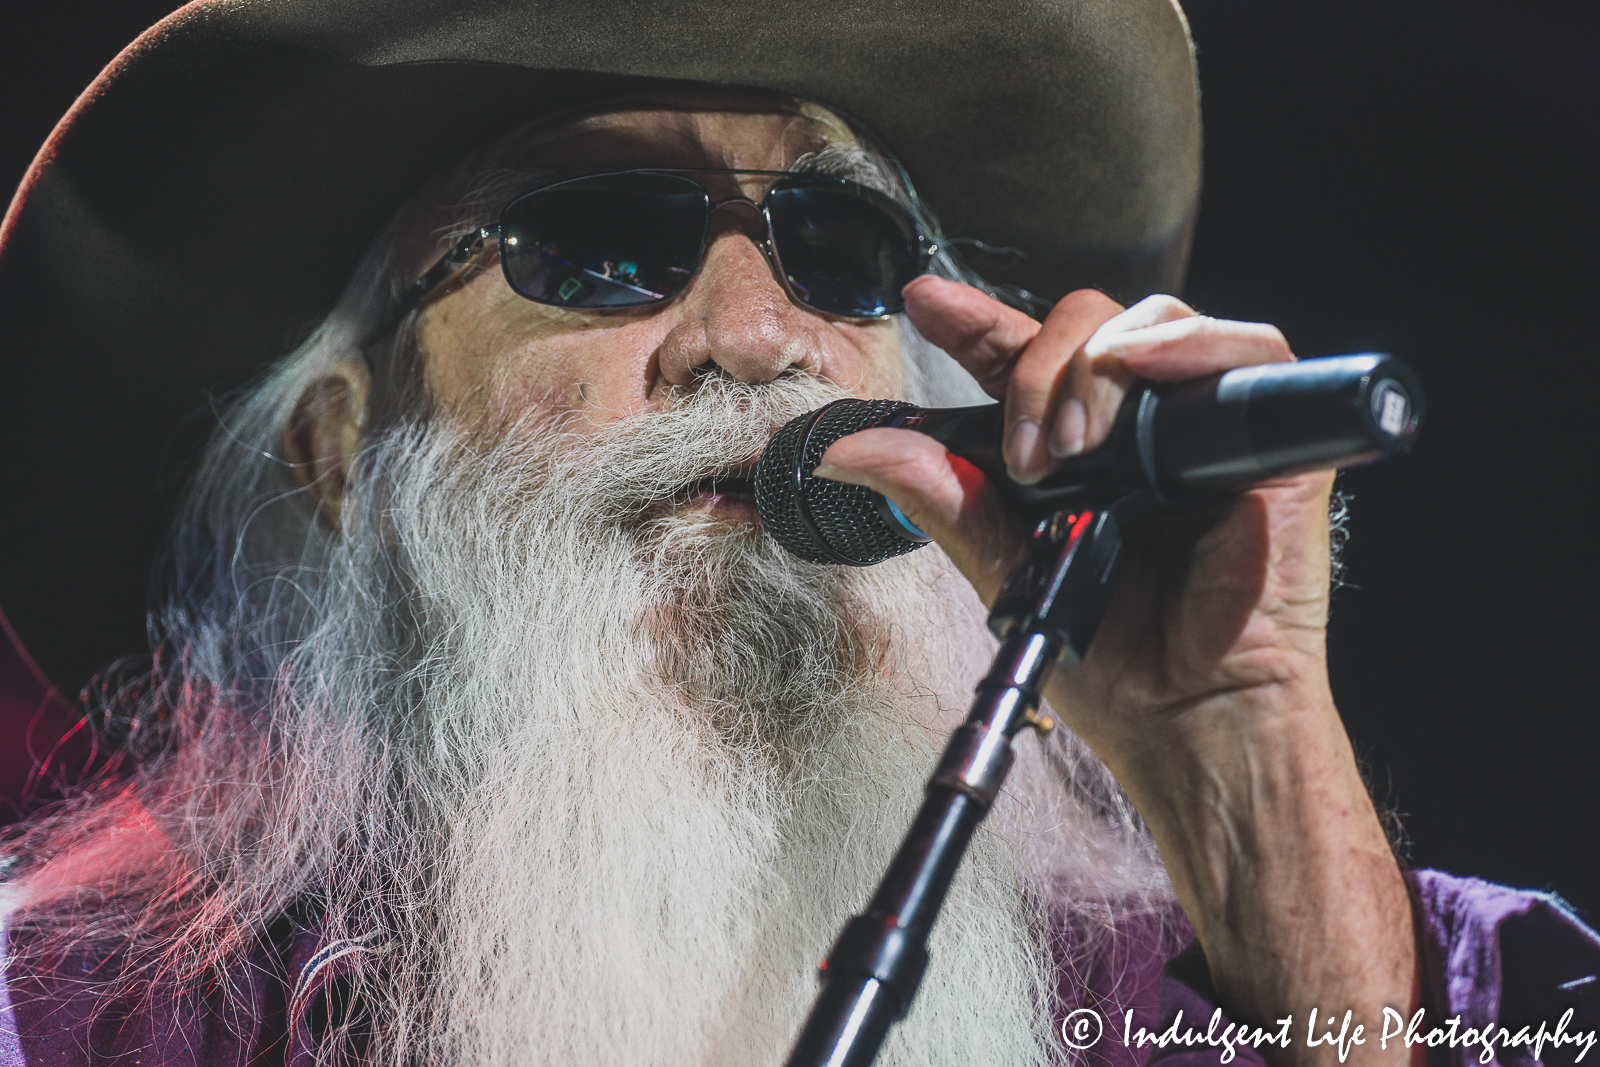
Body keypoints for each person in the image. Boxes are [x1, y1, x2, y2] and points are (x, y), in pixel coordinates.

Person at [0, 2, 1594, 1066]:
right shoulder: (72, 1017)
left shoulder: (1298, 995)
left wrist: (1255, 801)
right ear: (338, 448)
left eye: (843, 251)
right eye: (607, 243)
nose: (761, 339)